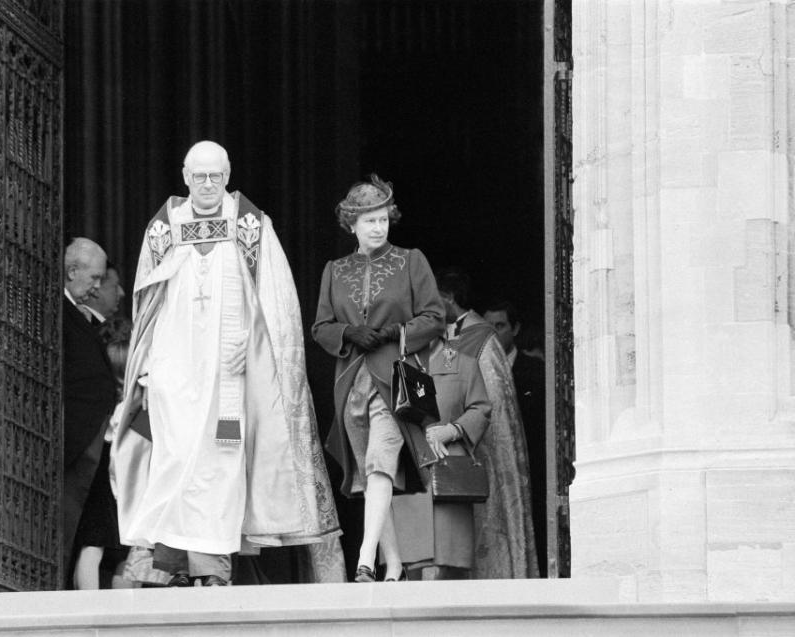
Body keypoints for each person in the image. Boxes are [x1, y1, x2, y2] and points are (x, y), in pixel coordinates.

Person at [110, 140, 343, 587]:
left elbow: (275, 305)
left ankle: (213, 568)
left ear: (229, 173)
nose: (208, 184)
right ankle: (167, 566)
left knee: (219, 465)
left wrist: (254, 345)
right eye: (200, 175)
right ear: (184, 176)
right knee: (172, 460)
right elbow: (148, 303)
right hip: (175, 372)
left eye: (216, 175)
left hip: (228, 375)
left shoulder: (251, 225)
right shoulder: (164, 228)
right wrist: (149, 363)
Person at [312, 174, 444, 583]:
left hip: (393, 380)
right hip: (351, 384)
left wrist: (394, 332)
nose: (378, 227)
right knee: (372, 477)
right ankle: (396, 565)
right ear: (352, 224)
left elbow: (434, 317)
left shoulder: (410, 260)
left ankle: (366, 558)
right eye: (369, 220)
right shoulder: (335, 270)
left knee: (380, 463)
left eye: (383, 219)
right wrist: (349, 333)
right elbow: (321, 327)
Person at [392, 269, 538, 579]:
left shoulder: (479, 339)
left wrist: (455, 428)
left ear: (446, 299)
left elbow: (493, 406)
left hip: (475, 455)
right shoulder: (432, 344)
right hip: (433, 453)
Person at [62, 238, 118, 585]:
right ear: (72, 272)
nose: (97, 286)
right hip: (76, 439)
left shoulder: (79, 314)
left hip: (92, 438)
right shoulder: (61, 311)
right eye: (94, 278)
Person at [71, 265, 130, 590]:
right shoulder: (137, 405)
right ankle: (110, 616)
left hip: (101, 469)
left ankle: (97, 611)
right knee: (119, 549)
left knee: (97, 547)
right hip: (122, 476)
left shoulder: (105, 397)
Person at [484, 298, 547, 576]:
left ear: (516, 328)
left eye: (500, 325)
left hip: (534, 465)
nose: (493, 332)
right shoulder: (478, 368)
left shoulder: (535, 371)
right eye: (488, 326)